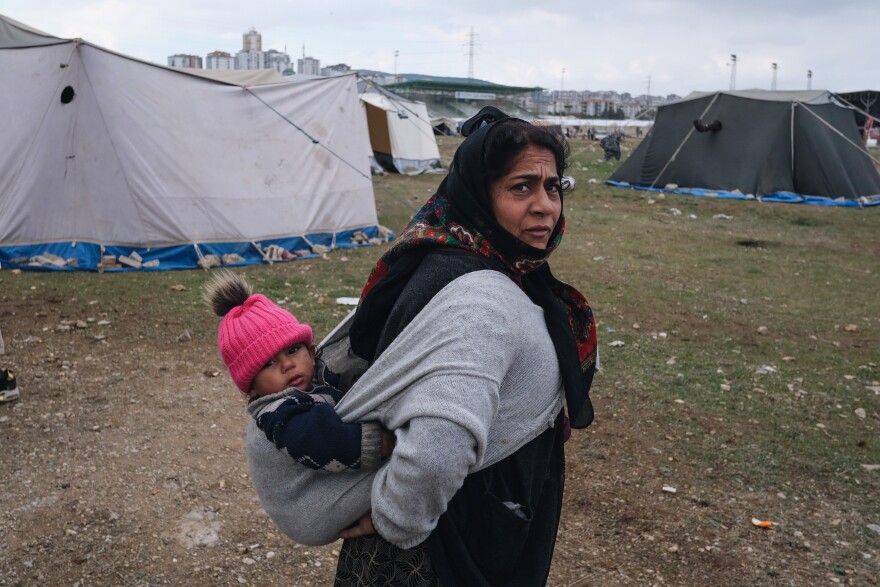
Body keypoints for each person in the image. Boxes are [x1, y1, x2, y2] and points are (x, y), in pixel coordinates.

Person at [330, 105, 598, 586]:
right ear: (480, 194)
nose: (545, 205)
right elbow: (435, 452)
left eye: (552, 186)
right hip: (446, 550)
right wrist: (393, 519)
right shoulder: (479, 304)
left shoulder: (477, 262)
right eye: (521, 187)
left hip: (470, 523)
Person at [202, 271, 395, 543]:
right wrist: (385, 442)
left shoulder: (309, 380)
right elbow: (322, 441)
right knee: (403, 461)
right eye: (268, 363)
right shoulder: (276, 413)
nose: (286, 364)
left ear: (312, 350)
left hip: (319, 491)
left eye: (293, 350)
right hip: (310, 509)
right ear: (252, 388)